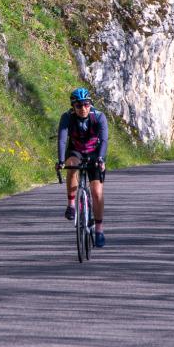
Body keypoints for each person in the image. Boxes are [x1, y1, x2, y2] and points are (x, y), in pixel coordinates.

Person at [56, 87, 109, 247]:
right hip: (76, 151)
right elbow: (62, 140)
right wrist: (60, 160)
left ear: (90, 104)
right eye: (78, 106)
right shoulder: (67, 117)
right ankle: (71, 205)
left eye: (86, 104)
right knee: (71, 165)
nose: (83, 108)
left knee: (97, 192)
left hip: (94, 152)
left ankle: (99, 229)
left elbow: (104, 140)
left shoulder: (99, 117)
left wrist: (100, 158)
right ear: (73, 106)